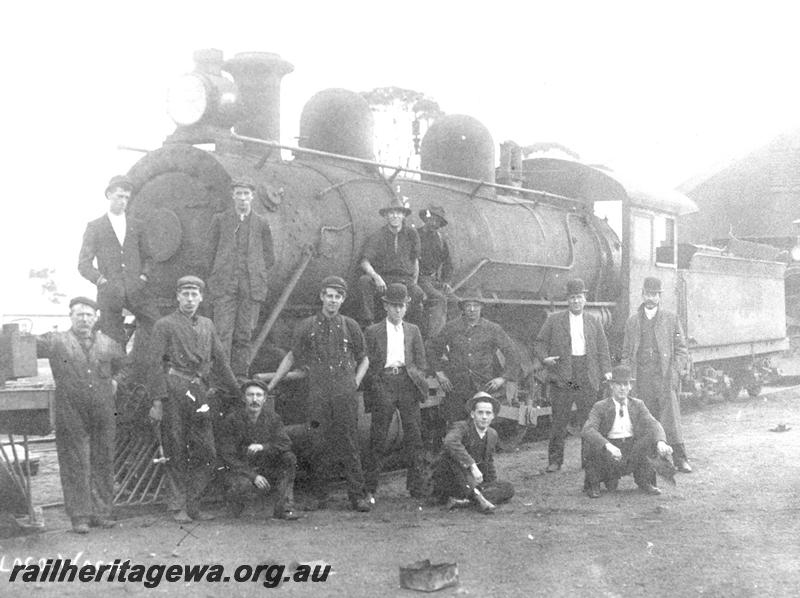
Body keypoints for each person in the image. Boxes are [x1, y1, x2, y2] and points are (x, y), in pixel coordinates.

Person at [267, 276, 372, 512]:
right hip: (318, 393)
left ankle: (357, 496)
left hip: (344, 393)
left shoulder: (351, 326)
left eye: (338, 297)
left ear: (342, 300)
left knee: (349, 442)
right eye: (329, 296)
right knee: (318, 442)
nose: (333, 301)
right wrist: (273, 383)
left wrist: (354, 382)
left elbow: (364, 358)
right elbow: (292, 356)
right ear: (322, 297)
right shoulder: (306, 326)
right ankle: (319, 496)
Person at [148, 275, 240, 523]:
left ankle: (194, 503)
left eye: (194, 294)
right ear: (177, 296)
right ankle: (178, 507)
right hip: (174, 389)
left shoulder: (207, 325)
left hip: (198, 392)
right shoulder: (164, 325)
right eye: (185, 294)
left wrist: (237, 393)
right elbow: (154, 364)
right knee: (176, 448)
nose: (189, 299)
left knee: (207, 451)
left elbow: (220, 360)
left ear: (201, 297)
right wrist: (157, 400)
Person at [36, 297, 127, 533]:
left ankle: (102, 513)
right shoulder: (56, 341)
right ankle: (79, 516)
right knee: (74, 460)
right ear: (70, 317)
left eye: (88, 315)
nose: (84, 319)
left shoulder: (108, 343)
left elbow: (124, 366)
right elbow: (23, 345)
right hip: (70, 408)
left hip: (103, 408)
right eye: (79, 315)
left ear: (95, 318)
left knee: (104, 457)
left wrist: (115, 381)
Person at [533, 278, 612, 473]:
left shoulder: (593, 321)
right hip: (564, 375)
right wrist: (545, 359)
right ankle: (555, 461)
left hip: (586, 373)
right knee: (560, 419)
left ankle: (589, 460)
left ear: (585, 299)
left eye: (579, 297)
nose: (576, 301)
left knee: (589, 420)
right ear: (567, 300)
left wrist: (607, 370)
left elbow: (603, 348)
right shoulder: (554, 320)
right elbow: (539, 343)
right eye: (572, 298)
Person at [363, 283, 429, 504]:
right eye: (393, 306)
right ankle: (370, 489)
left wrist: (415, 377)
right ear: (385, 306)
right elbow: (368, 364)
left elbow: (421, 361)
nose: (398, 310)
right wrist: (377, 386)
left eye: (401, 306)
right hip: (384, 382)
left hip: (407, 382)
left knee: (415, 436)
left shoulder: (413, 330)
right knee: (378, 438)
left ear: (406, 307)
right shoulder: (373, 331)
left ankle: (417, 487)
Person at [78, 174, 161, 348]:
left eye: (126, 198)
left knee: (156, 326)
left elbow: (149, 258)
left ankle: (141, 368)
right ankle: (115, 374)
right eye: (119, 196)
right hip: (109, 293)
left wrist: (143, 278)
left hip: (137, 290)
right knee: (112, 342)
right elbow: (83, 264)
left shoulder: (137, 225)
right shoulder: (95, 227)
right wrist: (101, 280)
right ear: (109, 195)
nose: (123, 201)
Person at [621, 277, 692, 473]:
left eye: (654, 294)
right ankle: (648, 461)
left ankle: (680, 458)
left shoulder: (671, 319)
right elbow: (626, 353)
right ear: (642, 295)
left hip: (664, 376)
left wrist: (675, 372)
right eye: (647, 294)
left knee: (671, 419)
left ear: (660, 297)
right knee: (645, 417)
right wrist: (627, 377)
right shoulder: (633, 322)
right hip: (641, 376)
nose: (650, 298)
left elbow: (681, 350)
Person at [208, 178, 275, 378]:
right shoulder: (220, 220)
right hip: (225, 286)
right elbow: (209, 253)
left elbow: (269, 257)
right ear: (233, 195)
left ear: (252, 197)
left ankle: (239, 377)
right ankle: (220, 378)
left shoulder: (261, 223)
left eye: (246, 194)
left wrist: (256, 272)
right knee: (222, 333)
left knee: (244, 334)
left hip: (251, 286)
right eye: (239, 193)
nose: (243, 198)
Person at [426, 287, 519, 425]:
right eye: (468, 305)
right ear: (463, 308)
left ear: (481, 307)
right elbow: (432, 349)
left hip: (482, 385)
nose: (472, 309)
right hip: (456, 386)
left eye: (475, 305)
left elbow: (512, 353)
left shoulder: (493, 329)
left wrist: (503, 378)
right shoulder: (451, 327)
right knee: (456, 425)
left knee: (480, 427)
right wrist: (439, 373)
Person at [582, 365, 673, 498]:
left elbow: (653, 424)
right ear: (611, 386)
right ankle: (594, 484)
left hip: (631, 449)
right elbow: (588, 429)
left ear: (630, 386)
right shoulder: (600, 406)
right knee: (593, 441)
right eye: (618, 384)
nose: (622, 388)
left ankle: (644, 481)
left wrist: (661, 442)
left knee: (650, 437)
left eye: (626, 384)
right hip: (609, 450)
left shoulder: (638, 404)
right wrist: (608, 446)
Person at [218, 380, 299, 520]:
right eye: (250, 395)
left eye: (259, 395)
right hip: (241, 470)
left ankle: (284, 507)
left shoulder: (273, 418)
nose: (254, 399)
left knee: (289, 458)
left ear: (265, 399)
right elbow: (227, 455)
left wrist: (263, 447)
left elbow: (285, 443)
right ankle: (236, 506)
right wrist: (252, 476)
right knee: (240, 488)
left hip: (265, 468)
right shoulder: (232, 420)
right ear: (243, 398)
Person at [432, 392, 515, 513]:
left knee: (508, 488)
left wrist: (492, 484)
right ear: (472, 414)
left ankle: (465, 501)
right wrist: (472, 466)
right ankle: (475, 497)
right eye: (480, 412)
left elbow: (488, 463)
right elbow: (450, 442)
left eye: (488, 413)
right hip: (452, 480)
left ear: (493, 416)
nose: (484, 417)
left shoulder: (492, 434)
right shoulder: (461, 427)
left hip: (471, 482)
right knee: (451, 459)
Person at [359, 197, 425, 328]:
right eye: (391, 213)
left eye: (399, 213)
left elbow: (415, 260)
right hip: (384, 280)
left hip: (404, 280)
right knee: (364, 281)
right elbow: (364, 262)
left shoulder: (411, 234)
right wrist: (376, 277)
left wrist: (414, 282)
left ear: (403, 215)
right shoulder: (378, 235)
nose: (395, 216)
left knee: (418, 293)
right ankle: (369, 324)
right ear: (386, 216)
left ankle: (409, 329)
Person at [417, 205, 455, 338]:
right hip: (418, 278)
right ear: (425, 219)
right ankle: (434, 340)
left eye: (437, 221)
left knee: (455, 300)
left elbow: (448, 264)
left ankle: (450, 339)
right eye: (431, 219)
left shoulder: (441, 240)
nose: (433, 223)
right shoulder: (415, 235)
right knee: (439, 299)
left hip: (433, 280)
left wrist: (446, 282)